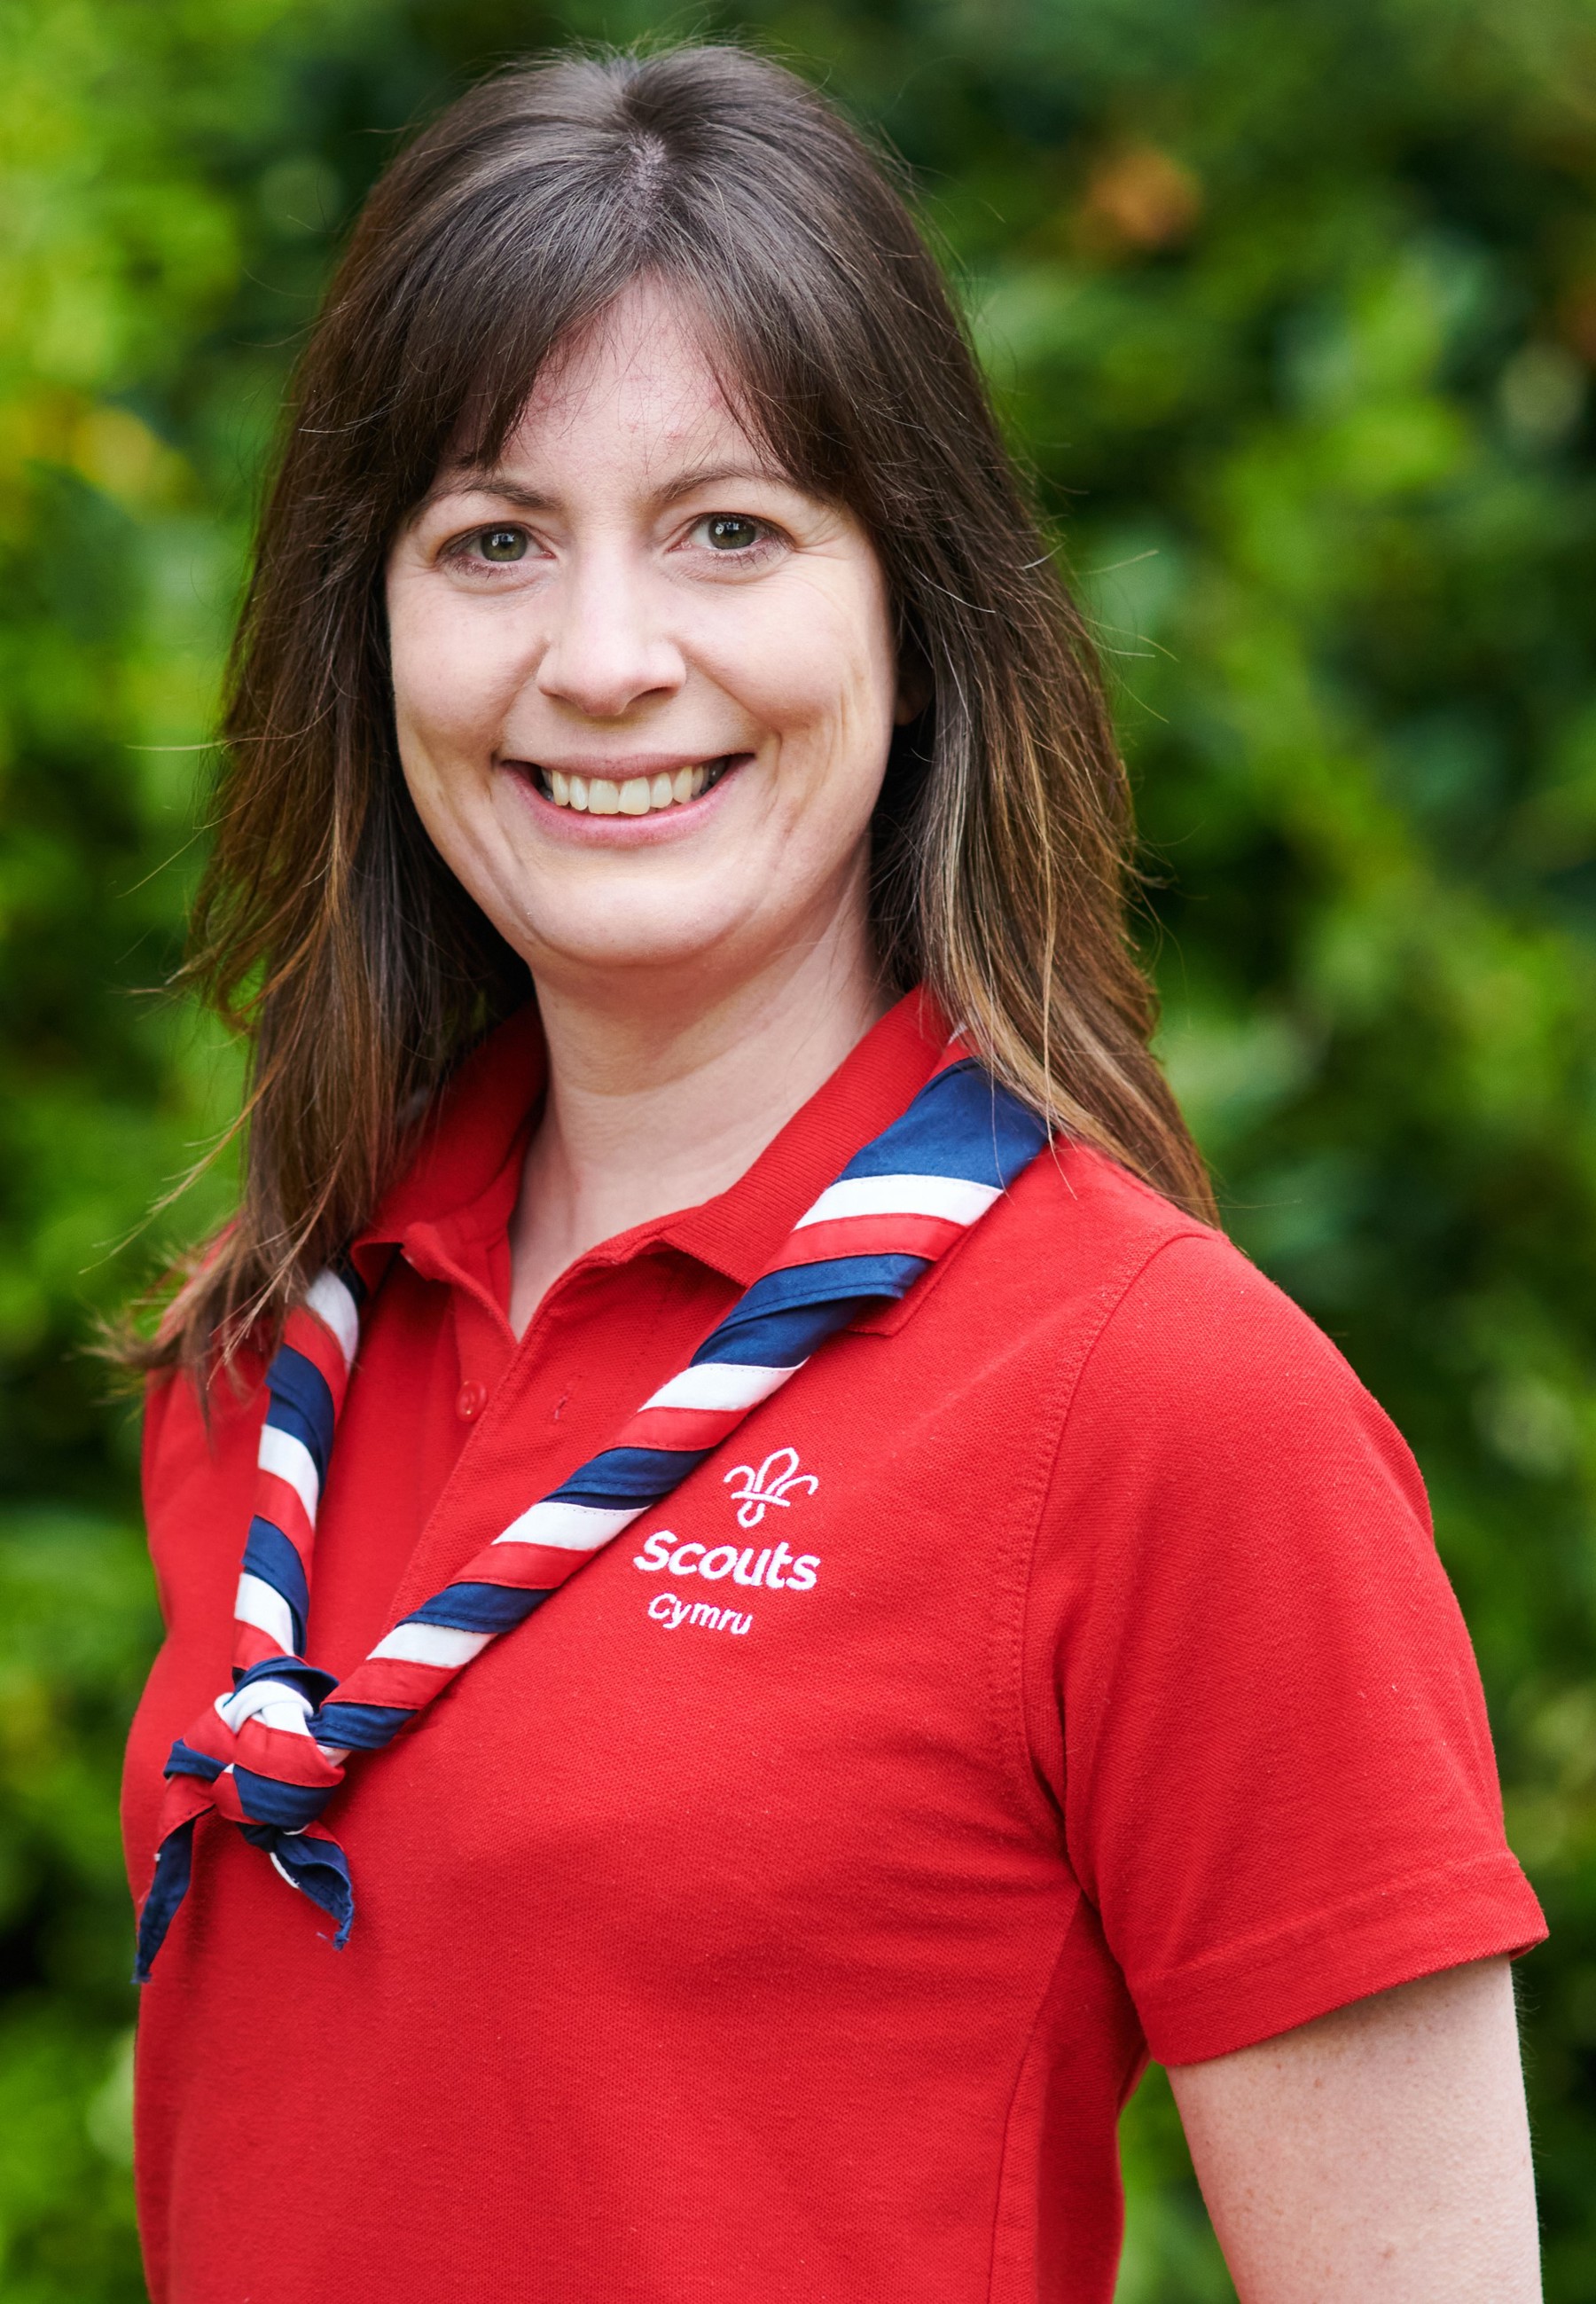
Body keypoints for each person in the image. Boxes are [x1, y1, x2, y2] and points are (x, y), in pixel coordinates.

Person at [120, 43, 1545, 2304]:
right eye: (493, 540)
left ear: (914, 615)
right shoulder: (281, 1343)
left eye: (732, 532)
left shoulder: (1164, 1410)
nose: (604, 660)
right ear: (370, 635)